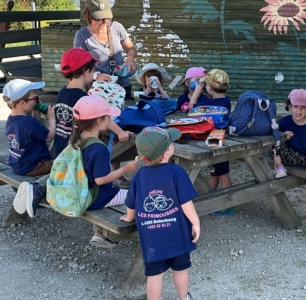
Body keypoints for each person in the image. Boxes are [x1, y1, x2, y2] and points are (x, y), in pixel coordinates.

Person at [120, 127, 200, 300]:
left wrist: (129, 217)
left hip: (152, 239)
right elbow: (186, 202)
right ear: (166, 153)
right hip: (177, 235)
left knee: (154, 276)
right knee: (181, 270)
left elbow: (131, 204)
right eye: (170, 143)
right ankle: (183, 298)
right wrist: (195, 222)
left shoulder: (139, 176)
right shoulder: (176, 172)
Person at [70, 96, 138, 247]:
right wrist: (124, 169)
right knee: (136, 194)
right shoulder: (99, 148)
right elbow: (101, 180)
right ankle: (109, 235)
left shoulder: (77, 139)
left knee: (122, 191)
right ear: (99, 121)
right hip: (95, 197)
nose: (111, 119)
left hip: (79, 190)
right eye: (109, 117)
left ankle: (100, 232)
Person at [51, 48, 131, 159]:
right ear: (86, 72)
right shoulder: (83, 98)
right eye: (93, 71)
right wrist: (120, 132)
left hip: (59, 152)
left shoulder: (62, 93)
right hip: (75, 155)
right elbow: (103, 117)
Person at [73, 0, 137, 99]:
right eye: (97, 18)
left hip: (122, 87)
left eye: (106, 18)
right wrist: (95, 76)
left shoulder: (117, 27)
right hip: (98, 89)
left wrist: (130, 58)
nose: (102, 22)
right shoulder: (81, 35)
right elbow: (79, 65)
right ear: (88, 14)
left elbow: (130, 48)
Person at [189, 69, 233, 216]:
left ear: (209, 87)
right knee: (214, 172)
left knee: (221, 173)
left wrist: (198, 89)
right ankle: (207, 199)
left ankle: (228, 204)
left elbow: (191, 108)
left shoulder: (208, 104)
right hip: (219, 136)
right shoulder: (226, 101)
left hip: (214, 139)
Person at [3, 79, 56, 176]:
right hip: (35, 166)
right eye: (34, 98)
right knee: (63, 164)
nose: (37, 100)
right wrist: (51, 118)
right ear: (22, 103)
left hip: (18, 165)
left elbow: (34, 132)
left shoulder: (11, 119)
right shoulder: (28, 122)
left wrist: (36, 113)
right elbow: (49, 136)